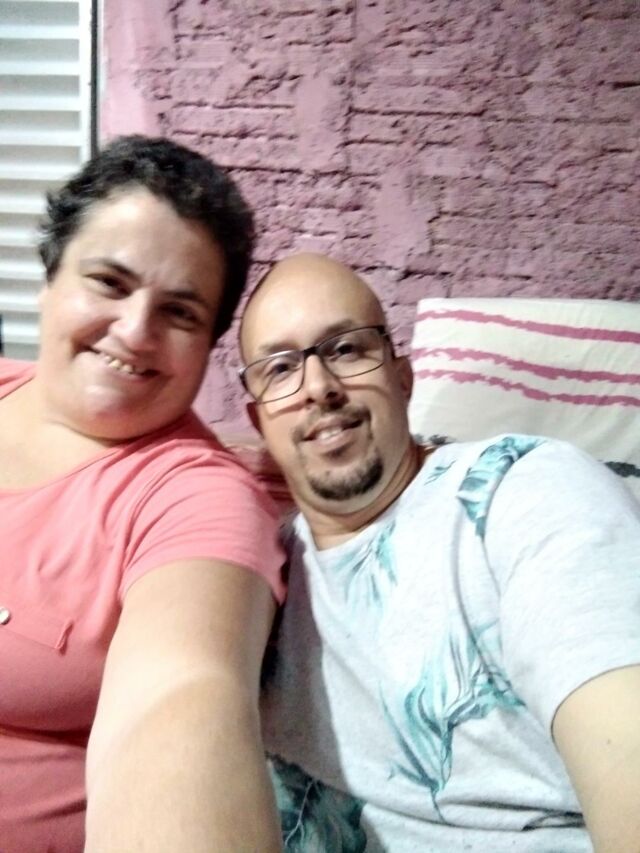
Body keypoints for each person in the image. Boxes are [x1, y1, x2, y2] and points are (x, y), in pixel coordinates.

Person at [239, 252, 640, 852]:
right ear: (258, 422)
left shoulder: (520, 490)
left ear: (403, 379)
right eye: (280, 368)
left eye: (346, 349)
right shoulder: (253, 578)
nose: (319, 387)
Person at [0, 135, 285, 852]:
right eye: (109, 282)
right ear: (49, 280)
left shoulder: (196, 496)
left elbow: (182, 690)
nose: (135, 332)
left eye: (180, 312)